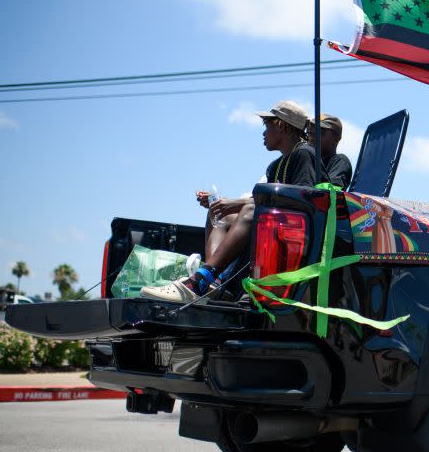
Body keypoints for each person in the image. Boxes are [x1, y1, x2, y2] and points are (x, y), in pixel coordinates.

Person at [141, 100, 318, 302]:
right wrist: (224, 204)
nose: (263, 132)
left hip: (298, 236)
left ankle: (198, 281)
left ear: (282, 126)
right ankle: (213, 282)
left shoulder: (304, 153)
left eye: (267, 125)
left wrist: (237, 203)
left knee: (251, 209)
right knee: (220, 215)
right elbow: (266, 200)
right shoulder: (275, 166)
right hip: (275, 228)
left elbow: (303, 200)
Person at [309, 113, 353, 190]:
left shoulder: (340, 161)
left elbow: (330, 191)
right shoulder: (307, 161)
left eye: (320, 133)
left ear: (336, 139)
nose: (312, 138)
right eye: (310, 133)